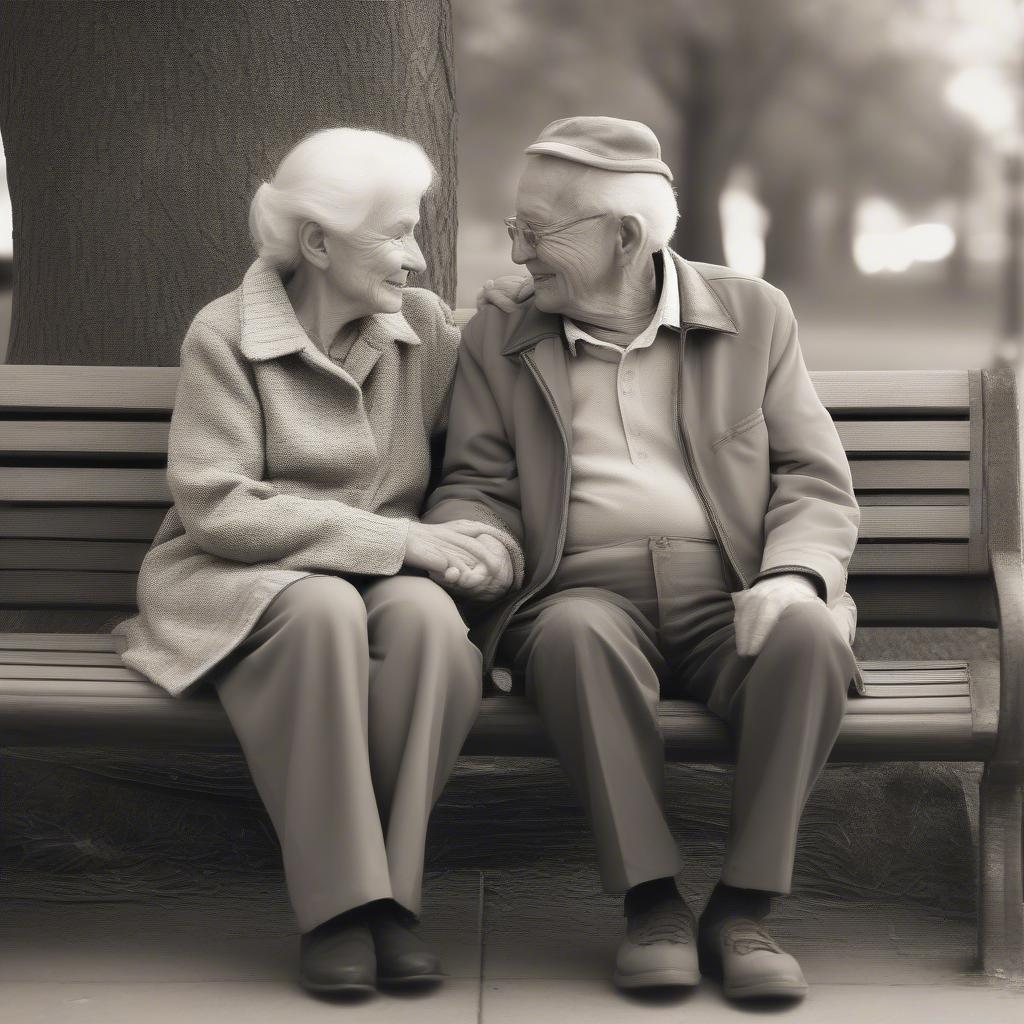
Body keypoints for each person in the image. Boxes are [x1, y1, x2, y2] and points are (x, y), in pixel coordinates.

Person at [425, 115, 861, 1003]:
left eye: (537, 233)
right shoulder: (498, 335)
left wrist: (792, 576)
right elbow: (474, 480)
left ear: (625, 236)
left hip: (730, 587)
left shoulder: (752, 315)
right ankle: (652, 903)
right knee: (580, 637)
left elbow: (813, 480)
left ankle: (743, 909)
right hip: (574, 588)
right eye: (517, 229)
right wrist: (473, 540)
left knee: (810, 638)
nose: (518, 253)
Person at [115, 127, 519, 997]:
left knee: (431, 628)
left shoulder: (419, 328)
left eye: (416, 230)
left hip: (378, 583)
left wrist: (522, 307)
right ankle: (336, 912)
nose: (415, 257)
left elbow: (498, 404)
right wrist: (402, 540)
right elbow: (218, 507)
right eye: (394, 233)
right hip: (236, 579)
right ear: (319, 242)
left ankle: (390, 904)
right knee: (323, 610)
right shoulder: (223, 334)